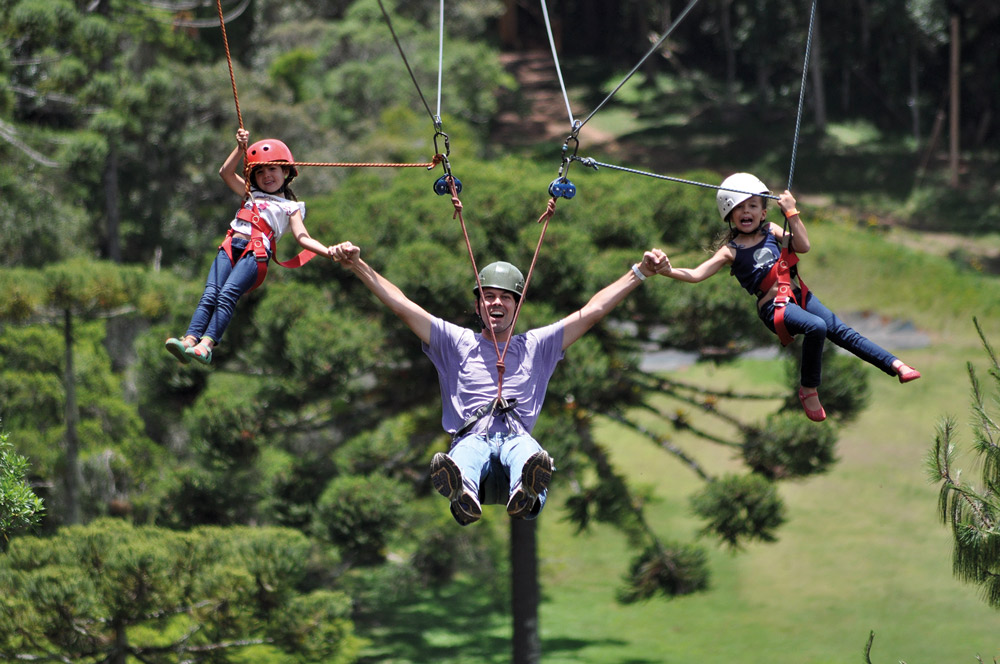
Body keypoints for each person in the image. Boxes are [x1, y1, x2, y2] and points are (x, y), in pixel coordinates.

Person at [330, 240, 668, 525]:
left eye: (506, 297)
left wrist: (638, 273)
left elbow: (592, 311)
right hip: (470, 438)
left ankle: (527, 490)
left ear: (516, 307)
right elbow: (402, 306)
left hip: (516, 442)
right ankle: (463, 492)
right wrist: (360, 266)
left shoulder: (538, 345)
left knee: (528, 452)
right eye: (488, 296)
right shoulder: (455, 341)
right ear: (478, 305)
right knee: (467, 454)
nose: (496, 302)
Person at [658, 173, 920, 422]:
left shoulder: (772, 230)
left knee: (841, 331)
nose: (746, 212)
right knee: (816, 327)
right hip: (774, 308)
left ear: (763, 211)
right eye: (739, 208)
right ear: (729, 214)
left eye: (752, 206)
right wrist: (667, 270)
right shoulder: (730, 251)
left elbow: (803, 246)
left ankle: (895, 365)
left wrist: (792, 213)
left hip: (798, 295)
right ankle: (808, 389)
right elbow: (695, 274)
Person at [165, 129, 337, 365]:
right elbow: (225, 172)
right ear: (253, 177)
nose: (266, 175)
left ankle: (207, 345)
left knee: (226, 295)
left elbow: (303, 238)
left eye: (272, 169)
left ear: (286, 171)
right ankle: (189, 340)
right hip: (230, 246)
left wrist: (328, 251)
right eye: (260, 171)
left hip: (255, 253)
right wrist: (240, 148)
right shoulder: (250, 193)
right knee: (210, 294)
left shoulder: (291, 207)